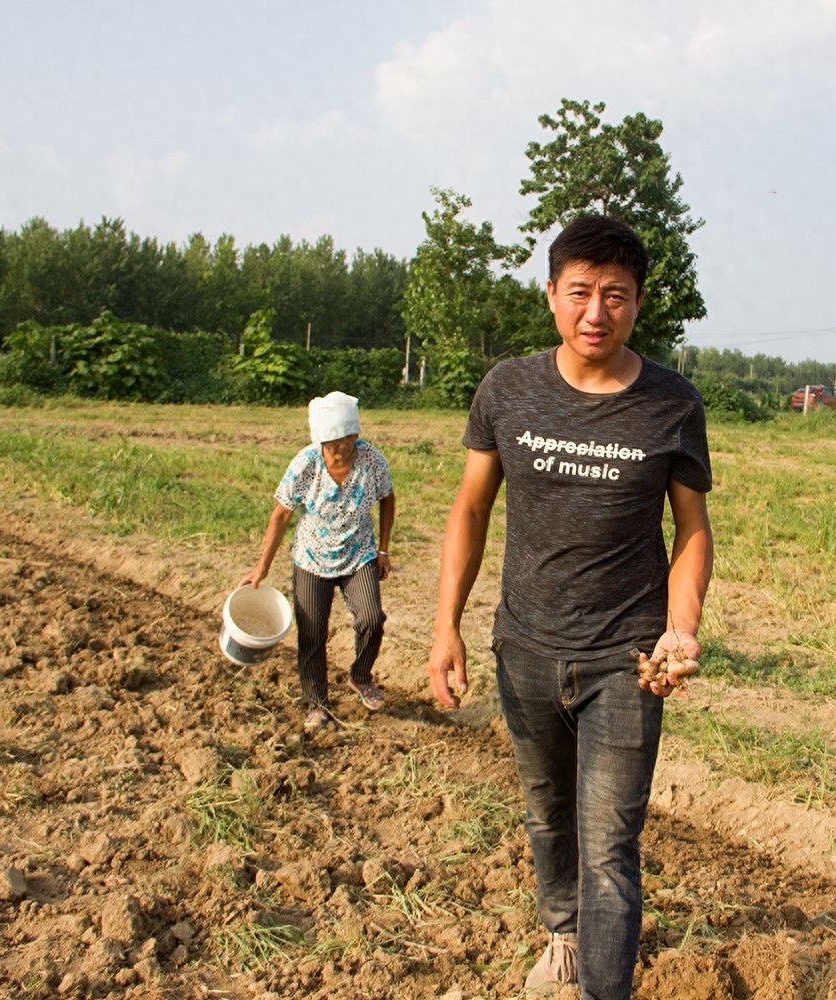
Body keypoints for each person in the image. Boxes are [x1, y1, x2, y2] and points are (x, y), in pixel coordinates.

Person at [426, 215, 714, 999]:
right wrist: (445, 625)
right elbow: (471, 509)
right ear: (552, 294)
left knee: (609, 848)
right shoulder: (507, 390)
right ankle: (562, 937)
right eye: (580, 292)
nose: (596, 312)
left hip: (627, 659)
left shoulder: (671, 404)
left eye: (614, 296)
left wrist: (680, 627)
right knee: (549, 817)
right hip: (522, 649)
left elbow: (691, 529)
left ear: (638, 303)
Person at [241, 390, 395, 731]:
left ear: (353, 436)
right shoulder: (306, 463)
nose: (337, 451)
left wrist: (383, 550)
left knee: (372, 618)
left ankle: (360, 676)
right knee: (311, 633)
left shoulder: (371, 460)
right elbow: (280, 515)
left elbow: (387, 498)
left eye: (343, 442)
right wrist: (262, 566)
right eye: (330, 444)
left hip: (359, 555)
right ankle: (317, 703)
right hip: (311, 559)